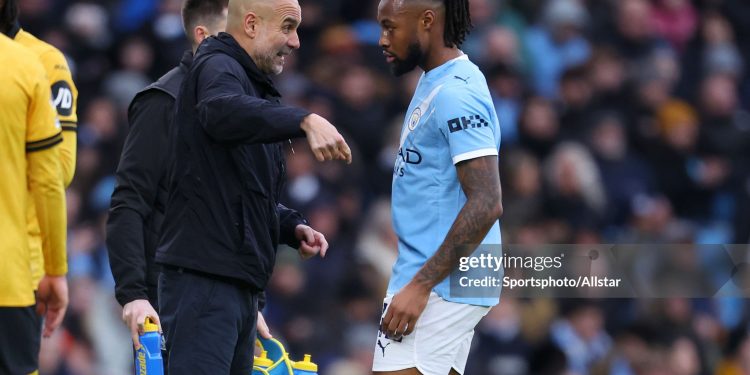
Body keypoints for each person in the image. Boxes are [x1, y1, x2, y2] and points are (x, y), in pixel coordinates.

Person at [156, 0, 352, 373]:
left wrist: (289, 226)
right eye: (288, 27)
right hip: (207, 283)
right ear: (250, 24)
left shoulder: (250, 85)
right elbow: (220, 111)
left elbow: (237, 190)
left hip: (236, 286)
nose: (295, 42)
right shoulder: (217, 65)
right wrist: (304, 119)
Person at [105, 0, 264, 352]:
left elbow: (238, 206)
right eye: (236, 30)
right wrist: (133, 294)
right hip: (172, 297)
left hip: (229, 296)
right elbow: (130, 200)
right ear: (203, 36)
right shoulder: (163, 102)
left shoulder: (243, 103)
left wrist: (251, 296)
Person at [374, 0, 503, 374]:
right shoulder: (437, 80)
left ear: (427, 20)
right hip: (439, 278)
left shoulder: (456, 93)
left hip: (438, 283)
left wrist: (420, 286)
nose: (382, 39)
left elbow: (488, 201)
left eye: (390, 27)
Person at [0, 32, 68, 374]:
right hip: (7, 275)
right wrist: (55, 269)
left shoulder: (42, 61)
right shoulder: (24, 65)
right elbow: (52, 177)